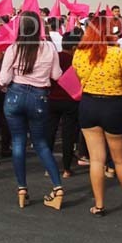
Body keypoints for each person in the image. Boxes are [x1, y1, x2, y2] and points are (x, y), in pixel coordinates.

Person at [74, 15, 122, 216]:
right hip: (113, 105)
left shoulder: (79, 53)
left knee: (96, 159)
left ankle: (99, 205)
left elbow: (78, 78)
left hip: (88, 104)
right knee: (120, 159)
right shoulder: (117, 54)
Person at [0, 11, 64, 209]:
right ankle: (57, 188)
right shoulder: (49, 47)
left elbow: (3, 79)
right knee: (41, 143)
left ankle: (22, 189)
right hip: (39, 97)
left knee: (18, 142)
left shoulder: (13, 48)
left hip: (15, 96)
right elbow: (56, 75)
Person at [48, 28, 83, 178]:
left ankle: (48, 166)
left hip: (52, 100)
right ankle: (67, 168)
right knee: (68, 134)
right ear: (75, 47)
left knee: (50, 133)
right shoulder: (76, 61)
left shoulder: (54, 57)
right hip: (70, 101)